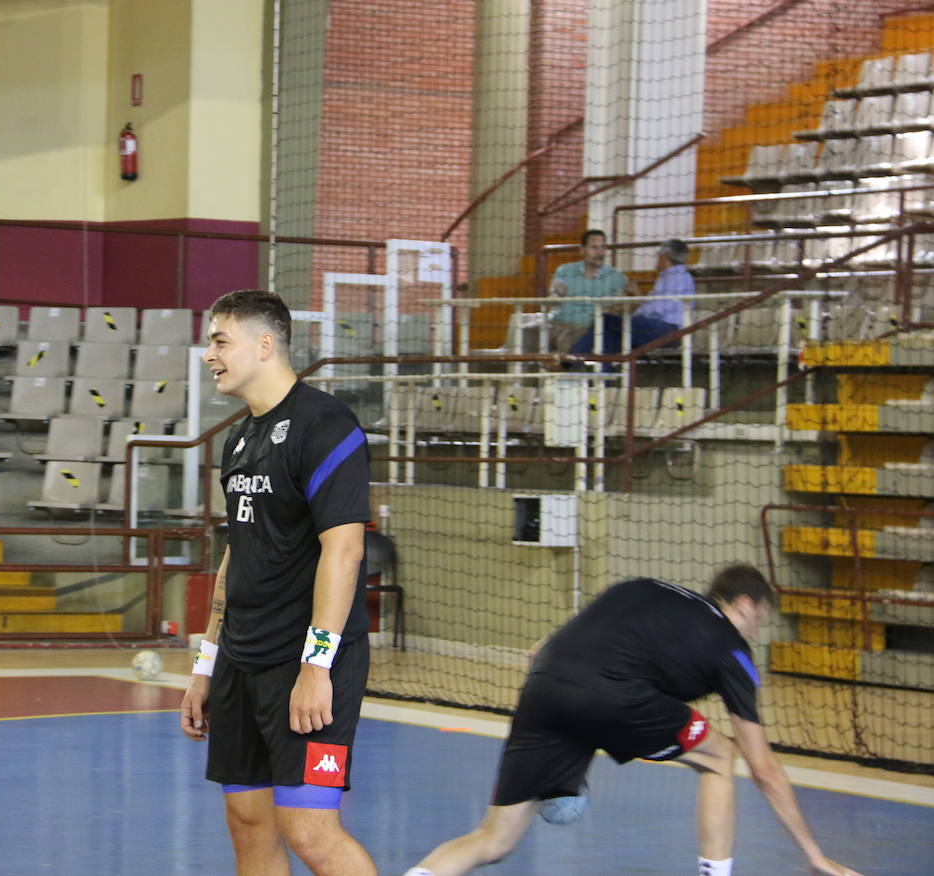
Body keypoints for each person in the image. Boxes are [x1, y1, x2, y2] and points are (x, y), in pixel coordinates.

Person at [403, 564, 867, 876]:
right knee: (722, 758)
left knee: (493, 838)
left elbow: (542, 649)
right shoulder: (733, 649)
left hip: (544, 687)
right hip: (614, 696)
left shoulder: (641, 588)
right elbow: (763, 767)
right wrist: (813, 853)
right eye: (758, 621)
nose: (754, 631)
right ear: (744, 605)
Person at [179, 289, 376, 875]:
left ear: (265, 345)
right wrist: (206, 664)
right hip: (242, 659)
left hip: (306, 661)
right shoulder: (238, 441)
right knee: (248, 823)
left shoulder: (327, 424)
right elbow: (237, 555)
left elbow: (344, 550)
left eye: (220, 340)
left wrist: (317, 667)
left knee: (310, 831)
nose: (209, 354)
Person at [569, 237, 696, 356]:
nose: (657, 259)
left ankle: (568, 359)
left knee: (604, 319)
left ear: (665, 256)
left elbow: (658, 309)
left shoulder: (678, 277)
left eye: (658, 256)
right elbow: (656, 306)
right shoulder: (669, 277)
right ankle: (599, 377)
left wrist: (632, 316)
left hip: (667, 330)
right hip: (659, 328)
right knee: (607, 339)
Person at [547, 229, 631, 352]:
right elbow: (556, 289)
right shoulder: (565, 270)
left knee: (567, 342)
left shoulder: (616, 276)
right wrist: (554, 293)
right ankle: (514, 369)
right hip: (556, 325)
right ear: (582, 250)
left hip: (586, 329)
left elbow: (626, 303)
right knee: (522, 333)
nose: (600, 253)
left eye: (602, 248)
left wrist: (616, 306)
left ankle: (563, 366)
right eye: (594, 248)